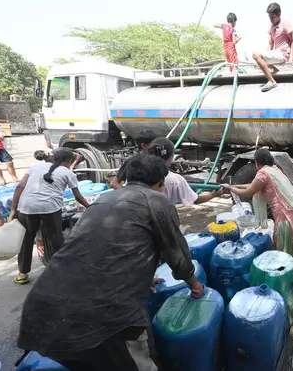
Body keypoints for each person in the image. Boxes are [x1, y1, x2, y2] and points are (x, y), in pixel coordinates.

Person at [17, 154, 203, 371]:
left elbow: (94, 247)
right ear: (161, 182)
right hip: (107, 315)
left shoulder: (104, 199)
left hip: (44, 306)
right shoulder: (156, 200)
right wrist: (195, 285)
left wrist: (139, 273)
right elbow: (176, 252)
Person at [8, 149, 89, 285]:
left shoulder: (35, 167)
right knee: (54, 240)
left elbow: (20, 186)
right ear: (69, 161)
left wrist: (13, 210)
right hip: (50, 209)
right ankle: (57, 272)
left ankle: (22, 274)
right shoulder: (67, 173)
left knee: (26, 240)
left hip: (26, 207)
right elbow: (78, 196)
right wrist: (89, 206)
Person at [222, 149, 293, 265]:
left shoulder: (262, 173)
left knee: (284, 256)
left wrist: (231, 189)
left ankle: (286, 274)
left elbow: (249, 192)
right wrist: (234, 186)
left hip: (287, 216)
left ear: (257, 163)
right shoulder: (274, 169)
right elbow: (253, 185)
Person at [147, 137, 223, 206]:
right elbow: (195, 200)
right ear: (172, 156)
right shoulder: (175, 180)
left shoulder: (139, 172)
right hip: (162, 218)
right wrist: (213, 195)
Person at [252, 3, 293, 92]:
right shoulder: (271, 28)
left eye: (272, 17)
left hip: (283, 54)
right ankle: (275, 71)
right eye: (269, 17)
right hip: (276, 52)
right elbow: (270, 45)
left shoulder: (285, 24)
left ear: (278, 15)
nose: (270, 19)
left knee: (255, 55)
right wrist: (264, 56)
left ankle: (271, 81)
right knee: (257, 59)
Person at [0, 120, 19, 186]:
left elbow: (2, 138)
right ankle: (2, 180)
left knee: (10, 163)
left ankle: (14, 178)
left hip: (0, 148)